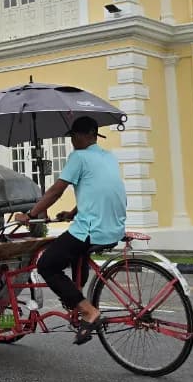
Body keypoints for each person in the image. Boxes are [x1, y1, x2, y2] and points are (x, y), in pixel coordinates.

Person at [11, 115, 126, 344]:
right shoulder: (108, 157)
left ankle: (88, 311)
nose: (72, 141)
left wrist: (31, 215)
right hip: (114, 227)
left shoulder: (79, 157)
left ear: (82, 135)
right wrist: (73, 213)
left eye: (73, 136)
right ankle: (77, 298)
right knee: (75, 250)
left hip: (92, 228)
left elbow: (56, 191)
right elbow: (98, 190)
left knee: (47, 264)